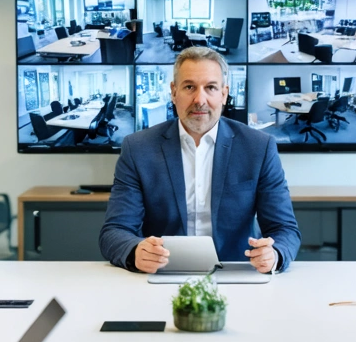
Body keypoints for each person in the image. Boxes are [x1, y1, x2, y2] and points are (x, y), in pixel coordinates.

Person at [99, 46, 301, 273]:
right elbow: (115, 231)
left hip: (236, 271)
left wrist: (274, 254)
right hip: (162, 273)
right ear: (173, 92)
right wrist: (135, 251)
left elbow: (285, 229)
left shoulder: (259, 147)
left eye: (211, 88)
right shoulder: (138, 148)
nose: (199, 99)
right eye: (189, 87)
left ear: (224, 94)